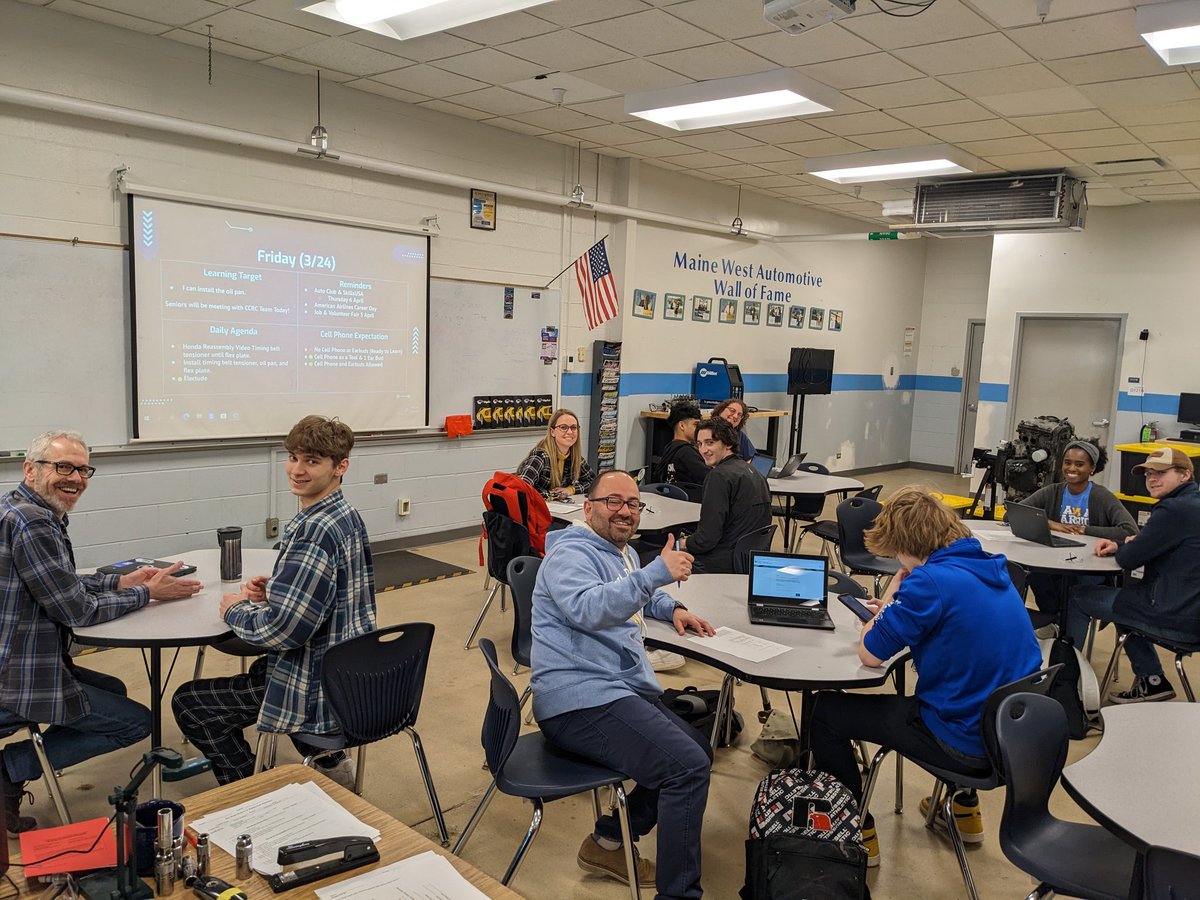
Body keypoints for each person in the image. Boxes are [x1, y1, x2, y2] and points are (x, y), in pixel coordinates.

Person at [810, 487, 1041, 866]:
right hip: (1007, 737)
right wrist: (894, 609)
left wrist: (894, 595)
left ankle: (855, 828)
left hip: (961, 740)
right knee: (967, 688)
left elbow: (870, 655)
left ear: (905, 545)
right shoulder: (989, 568)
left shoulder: (930, 582)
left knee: (825, 712)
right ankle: (965, 812)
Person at [0, 431, 203, 832]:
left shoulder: (21, 507)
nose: (75, 477)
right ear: (30, 469)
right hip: (18, 675)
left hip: (23, 658)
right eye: (62, 467)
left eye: (81, 468)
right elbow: (76, 610)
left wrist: (121, 584)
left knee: (113, 689)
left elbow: (61, 584)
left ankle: (28, 763)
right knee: (136, 722)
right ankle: (11, 768)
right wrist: (147, 593)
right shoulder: (34, 522)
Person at [531, 470, 716, 900]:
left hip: (614, 687)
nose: (625, 512)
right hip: (577, 700)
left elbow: (639, 593)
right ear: (588, 507)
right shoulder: (572, 554)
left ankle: (608, 842)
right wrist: (654, 575)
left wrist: (672, 607)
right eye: (613, 501)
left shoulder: (619, 552)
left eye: (633, 504)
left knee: (698, 750)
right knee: (686, 766)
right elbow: (587, 608)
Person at [172, 416, 376, 785]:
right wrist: (280, 589)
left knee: (191, 704)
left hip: (314, 684)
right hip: (348, 671)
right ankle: (327, 763)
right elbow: (336, 594)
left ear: (340, 466)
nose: (297, 470)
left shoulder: (314, 530)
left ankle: (251, 789)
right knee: (251, 677)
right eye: (293, 457)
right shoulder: (345, 515)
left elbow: (284, 632)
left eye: (312, 461)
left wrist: (236, 609)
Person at [1067, 446, 1200, 703]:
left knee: (1078, 596)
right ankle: (1152, 681)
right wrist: (1126, 543)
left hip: (1174, 617)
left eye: (1161, 472)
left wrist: (1127, 547)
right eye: (1149, 473)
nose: (1152, 479)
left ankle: (1066, 678)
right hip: (1191, 614)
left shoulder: (1172, 510)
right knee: (1125, 601)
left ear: (1185, 475)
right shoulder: (1191, 506)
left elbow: (1128, 560)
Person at [1018, 440, 1137, 617]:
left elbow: (1130, 530)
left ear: (1092, 468)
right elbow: (1016, 513)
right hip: (1053, 560)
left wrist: (1085, 530)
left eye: (1079, 464)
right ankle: (1054, 619)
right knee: (1036, 576)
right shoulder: (1053, 491)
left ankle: (1065, 631)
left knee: (1074, 587)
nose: (1071, 468)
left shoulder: (1101, 496)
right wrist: (1051, 523)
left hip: (1090, 564)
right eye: (1067, 462)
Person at [680, 417, 771, 574]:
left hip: (720, 563)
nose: (703, 450)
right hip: (751, 561)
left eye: (710, 443)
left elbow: (706, 539)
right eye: (699, 444)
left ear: (728, 443)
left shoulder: (718, 476)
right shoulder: (756, 473)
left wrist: (684, 542)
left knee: (654, 558)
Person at [516, 408, 595, 501]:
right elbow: (521, 488)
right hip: (536, 510)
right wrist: (553, 495)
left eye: (574, 427)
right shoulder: (540, 456)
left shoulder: (575, 458)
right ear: (552, 432)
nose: (570, 432)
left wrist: (571, 489)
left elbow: (594, 483)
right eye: (563, 427)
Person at [652, 400, 708, 494]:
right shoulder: (687, 453)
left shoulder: (669, 448)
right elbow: (710, 479)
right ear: (682, 425)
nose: (699, 429)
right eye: (696, 425)